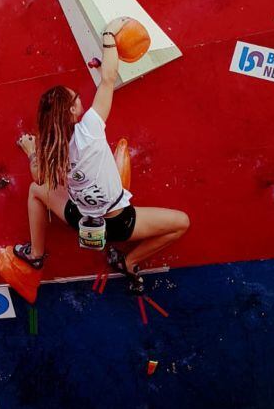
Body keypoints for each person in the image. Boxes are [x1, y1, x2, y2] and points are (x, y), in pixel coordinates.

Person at [13, 19, 189, 293]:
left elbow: (38, 176)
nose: (81, 100)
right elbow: (108, 78)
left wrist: (31, 152)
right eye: (76, 100)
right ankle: (129, 261)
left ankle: (36, 254)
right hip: (118, 223)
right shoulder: (90, 128)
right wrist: (109, 35)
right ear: (72, 112)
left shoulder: (50, 149)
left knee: (36, 189)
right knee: (181, 223)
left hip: (77, 218)